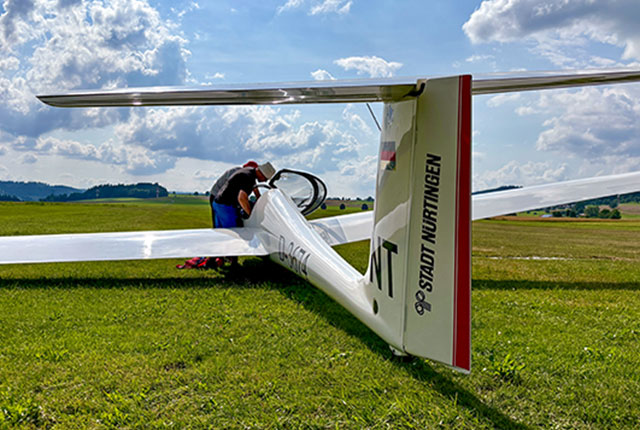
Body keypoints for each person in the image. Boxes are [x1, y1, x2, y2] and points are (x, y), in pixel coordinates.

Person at [212, 162, 276, 229]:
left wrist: (260, 199)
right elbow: (242, 198)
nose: (265, 181)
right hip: (226, 207)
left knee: (220, 232)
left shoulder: (249, 171)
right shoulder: (249, 177)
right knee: (232, 232)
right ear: (262, 175)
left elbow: (255, 189)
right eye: (265, 179)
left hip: (218, 203)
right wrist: (250, 215)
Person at [209, 161, 258, 227]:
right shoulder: (237, 172)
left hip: (223, 199)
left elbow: (255, 188)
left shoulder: (248, 175)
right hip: (216, 195)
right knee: (220, 220)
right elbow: (229, 189)